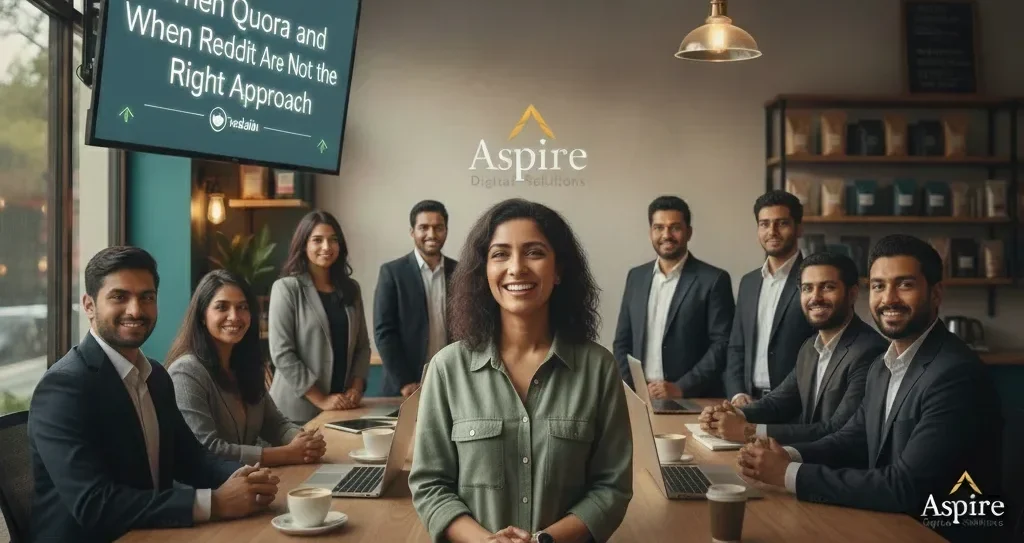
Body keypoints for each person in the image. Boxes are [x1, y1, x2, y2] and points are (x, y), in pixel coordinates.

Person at [738, 235, 1004, 543]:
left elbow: (904, 486)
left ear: (935, 294)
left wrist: (787, 474)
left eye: (904, 284)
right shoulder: (883, 365)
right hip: (888, 522)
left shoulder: (955, 374)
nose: (888, 298)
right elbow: (853, 438)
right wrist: (786, 454)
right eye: (879, 286)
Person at [409, 198, 633, 543]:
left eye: (534, 252)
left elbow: (611, 488)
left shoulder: (598, 369)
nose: (516, 268)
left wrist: (544, 540)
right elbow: (429, 485)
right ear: (484, 270)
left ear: (558, 270)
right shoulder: (447, 369)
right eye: (500, 254)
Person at [27, 246, 280, 542]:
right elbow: (94, 503)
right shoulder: (63, 387)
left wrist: (244, 478)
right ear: (89, 305)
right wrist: (216, 503)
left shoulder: (156, 376)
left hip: (152, 532)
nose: (136, 310)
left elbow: (192, 459)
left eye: (146, 297)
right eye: (119, 297)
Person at [699, 251, 886, 444]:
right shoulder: (810, 347)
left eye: (827, 287)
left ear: (852, 294)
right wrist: (730, 413)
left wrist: (749, 432)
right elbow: (777, 403)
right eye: (807, 288)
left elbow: (836, 429)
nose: (816, 297)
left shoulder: (870, 351)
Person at [166, 269, 328, 467]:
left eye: (242, 307)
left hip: (252, 482)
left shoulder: (245, 365)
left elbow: (275, 424)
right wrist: (287, 454)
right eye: (222, 307)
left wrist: (303, 441)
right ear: (202, 315)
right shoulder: (186, 372)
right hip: (211, 493)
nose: (234, 316)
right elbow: (208, 449)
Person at [613, 195, 734, 398]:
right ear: (650, 232)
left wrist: (681, 387)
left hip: (693, 398)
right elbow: (622, 342)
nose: (666, 235)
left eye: (675, 227)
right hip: (641, 397)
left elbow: (722, 344)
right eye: (659, 227)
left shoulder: (714, 280)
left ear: (689, 232)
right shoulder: (636, 277)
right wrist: (635, 387)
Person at [268, 210, 371, 423]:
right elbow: (282, 353)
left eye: (333, 240)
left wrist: (356, 388)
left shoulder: (351, 289)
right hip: (294, 413)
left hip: (341, 407)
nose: (327, 247)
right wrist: (321, 399)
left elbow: (362, 346)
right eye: (317, 240)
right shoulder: (287, 288)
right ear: (303, 244)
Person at [724, 190, 815, 406]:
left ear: (799, 228)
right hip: (749, 402)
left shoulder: (814, 280)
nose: (772, 231)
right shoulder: (749, 282)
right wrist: (737, 393)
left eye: (781, 223)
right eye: (764, 224)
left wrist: (777, 401)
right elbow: (736, 346)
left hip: (796, 406)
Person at [374, 200, 458, 397]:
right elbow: (384, 332)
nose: (431, 234)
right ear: (412, 232)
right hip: (405, 387)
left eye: (438, 227)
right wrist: (405, 382)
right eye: (424, 228)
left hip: (451, 384)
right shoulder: (392, 273)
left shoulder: (460, 272)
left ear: (446, 230)